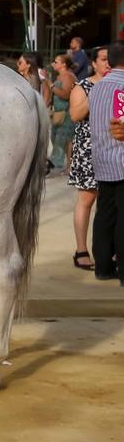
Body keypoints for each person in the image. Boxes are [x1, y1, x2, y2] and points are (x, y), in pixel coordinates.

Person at [68, 46, 110, 271]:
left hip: (116, 150)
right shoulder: (82, 86)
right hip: (89, 150)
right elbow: (76, 115)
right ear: (93, 63)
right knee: (87, 200)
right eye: (103, 60)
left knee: (111, 203)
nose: (108, 64)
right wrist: (98, 90)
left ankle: (110, 251)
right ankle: (81, 250)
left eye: (110, 59)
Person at [87, 41, 124, 285]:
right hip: (121, 158)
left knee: (105, 213)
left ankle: (102, 265)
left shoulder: (97, 87)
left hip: (101, 158)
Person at [50, 53, 77, 170]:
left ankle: (58, 165)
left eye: (56, 62)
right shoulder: (60, 76)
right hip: (59, 112)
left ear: (63, 64)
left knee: (63, 140)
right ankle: (69, 166)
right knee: (61, 139)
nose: (53, 64)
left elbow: (65, 94)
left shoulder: (68, 76)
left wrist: (51, 85)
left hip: (67, 112)